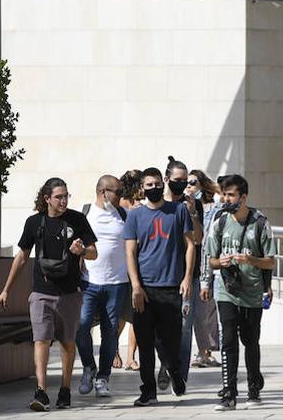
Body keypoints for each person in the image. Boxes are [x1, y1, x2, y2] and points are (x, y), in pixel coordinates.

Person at [0, 177, 99, 411]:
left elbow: (94, 253)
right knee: (41, 340)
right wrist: (6, 289)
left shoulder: (77, 219)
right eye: (58, 197)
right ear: (47, 198)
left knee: (67, 342)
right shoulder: (34, 222)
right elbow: (22, 257)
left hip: (70, 293)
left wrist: (82, 250)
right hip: (41, 293)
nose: (63, 201)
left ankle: (65, 390)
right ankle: (41, 391)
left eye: (66, 196)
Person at [124, 166, 196, 406]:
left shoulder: (178, 210)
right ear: (142, 188)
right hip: (144, 289)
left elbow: (190, 245)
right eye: (149, 185)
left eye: (157, 184)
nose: (154, 188)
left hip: (171, 288)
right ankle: (148, 391)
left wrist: (187, 277)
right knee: (145, 343)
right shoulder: (135, 216)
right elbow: (130, 252)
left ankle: (174, 371)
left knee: (171, 342)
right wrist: (136, 286)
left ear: (162, 184)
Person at [204, 174, 275, 411]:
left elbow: (271, 261)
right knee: (228, 341)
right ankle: (229, 393)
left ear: (243, 197)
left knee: (250, 341)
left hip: (252, 292)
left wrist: (250, 260)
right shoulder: (219, 221)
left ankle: (254, 387)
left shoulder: (260, 222)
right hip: (226, 290)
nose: (226, 199)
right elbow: (211, 260)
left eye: (231, 195)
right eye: (224, 194)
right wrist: (220, 262)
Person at [76, 175, 130, 398]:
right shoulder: (86, 214)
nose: (121, 196)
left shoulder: (124, 215)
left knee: (110, 332)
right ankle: (89, 367)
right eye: (118, 192)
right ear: (103, 192)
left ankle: (103, 377)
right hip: (89, 282)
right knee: (81, 327)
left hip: (117, 283)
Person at [154, 156, 203, 393]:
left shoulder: (191, 204)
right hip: (160, 277)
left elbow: (198, 239)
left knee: (184, 328)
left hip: (187, 276)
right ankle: (166, 363)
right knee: (159, 329)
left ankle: (179, 377)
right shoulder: (156, 204)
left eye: (186, 181)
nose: (182, 184)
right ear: (166, 179)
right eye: (178, 180)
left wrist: (193, 212)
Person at [187, 169, 221, 370]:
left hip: (209, 262)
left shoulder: (214, 206)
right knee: (197, 313)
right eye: (187, 183)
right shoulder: (187, 206)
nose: (190, 186)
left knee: (207, 312)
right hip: (195, 262)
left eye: (193, 182)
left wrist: (212, 187)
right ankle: (202, 351)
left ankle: (206, 351)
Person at [118, 169, 143, 373]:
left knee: (135, 313)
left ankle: (130, 357)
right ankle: (115, 350)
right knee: (120, 315)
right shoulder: (119, 208)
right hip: (121, 267)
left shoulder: (139, 207)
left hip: (136, 265)